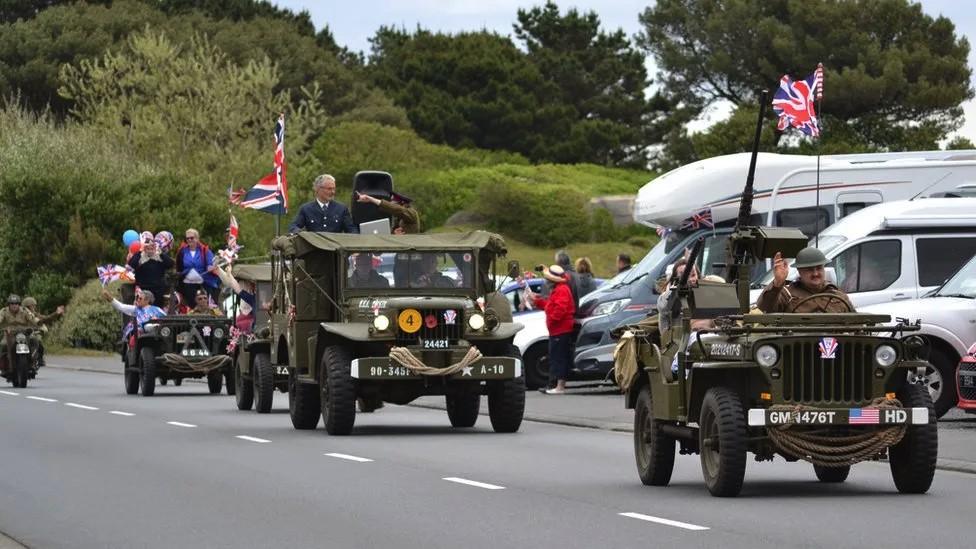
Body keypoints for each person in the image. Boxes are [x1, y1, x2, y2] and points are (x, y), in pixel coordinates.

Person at [525, 265, 576, 395]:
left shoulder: (561, 290)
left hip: (560, 329)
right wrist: (537, 301)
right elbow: (550, 305)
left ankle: (559, 386)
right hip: (558, 329)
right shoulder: (560, 289)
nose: (546, 281)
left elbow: (559, 309)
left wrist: (551, 318)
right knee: (557, 357)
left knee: (559, 358)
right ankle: (557, 385)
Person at [757, 247, 854, 313]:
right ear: (799, 271)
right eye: (809, 270)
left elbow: (857, 323)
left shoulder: (838, 295)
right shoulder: (787, 294)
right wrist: (777, 283)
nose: (816, 274)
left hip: (836, 342)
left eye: (819, 268)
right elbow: (765, 308)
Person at [289, 174, 358, 234]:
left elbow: (352, 230)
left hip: (335, 247)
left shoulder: (341, 209)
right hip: (313, 247)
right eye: (329, 189)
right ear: (318, 189)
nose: (333, 192)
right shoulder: (306, 209)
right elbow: (293, 227)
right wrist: (303, 234)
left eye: (334, 189)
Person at [175, 229, 220, 304]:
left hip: (204, 281)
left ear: (197, 238)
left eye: (191, 238)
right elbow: (179, 266)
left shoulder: (205, 250)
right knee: (191, 302)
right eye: (187, 238)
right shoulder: (182, 251)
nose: (189, 240)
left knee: (208, 302)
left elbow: (211, 262)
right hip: (189, 282)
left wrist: (210, 266)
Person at [127, 237, 174, 305]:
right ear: (144, 249)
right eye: (147, 248)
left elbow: (170, 264)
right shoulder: (140, 257)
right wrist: (140, 251)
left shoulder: (159, 257)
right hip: (143, 289)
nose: (150, 250)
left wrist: (160, 253)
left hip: (157, 289)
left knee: (156, 309)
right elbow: (131, 264)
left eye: (152, 248)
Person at [21, 297, 65, 367]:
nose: (34, 307)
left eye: (34, 305)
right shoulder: (22, 313)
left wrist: (56, 313)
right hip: (21, 333)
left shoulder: (34, 314)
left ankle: (38, 358)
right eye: (33, 305)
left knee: (38, 342)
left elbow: (46, 318)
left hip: (31, 333)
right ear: (29, 306)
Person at [0, 294, 43, 361]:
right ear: (9, 304)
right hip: (9, 333)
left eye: (16, 303)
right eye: (12, 303)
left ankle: (33, 358)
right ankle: (3, 364)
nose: (14, 305)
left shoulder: (24, 310)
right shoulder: (4, 311)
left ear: (19, 304)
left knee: (34, 340)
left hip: (24, 333)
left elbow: (32, 318)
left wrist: (38, 322)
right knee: (3, 344)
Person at [356, 191, 421, 234]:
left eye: (393, 201)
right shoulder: (398, 218)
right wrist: (394, 234)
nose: (391, 203)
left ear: (402, 203)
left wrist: (371, 199)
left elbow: (398, 210)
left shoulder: (412, 213)